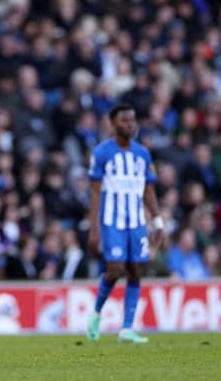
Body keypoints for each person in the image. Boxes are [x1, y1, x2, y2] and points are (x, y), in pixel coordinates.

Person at [86, 103, 165, 343]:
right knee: (115, 269)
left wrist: (158, 222)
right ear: (113, 124)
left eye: (133, 120)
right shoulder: (102, 153)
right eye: (125, 120)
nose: (130, 125)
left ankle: (127, 329)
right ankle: (96, 313)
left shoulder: (143, 154)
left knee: (135, 270)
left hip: (137, 222)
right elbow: (95, 193)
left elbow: (148, 191)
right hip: (112, 221)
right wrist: (93, 228)